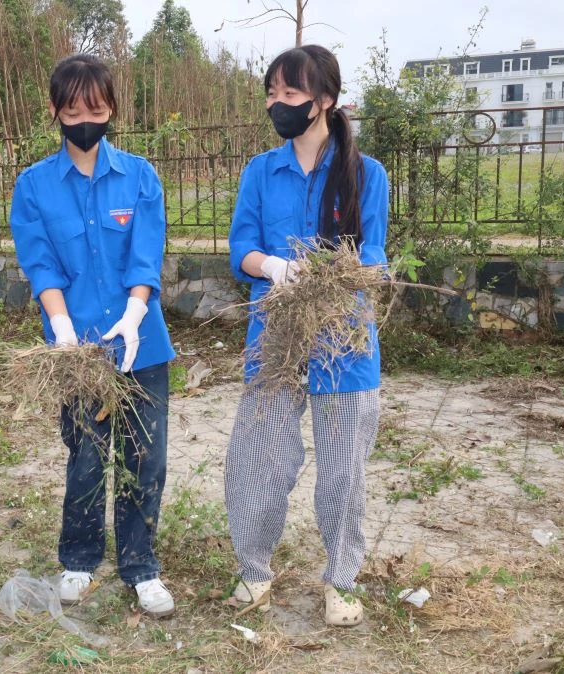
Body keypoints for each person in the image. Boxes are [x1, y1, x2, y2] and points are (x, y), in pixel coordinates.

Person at [224, 45, 389, 627]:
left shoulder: (366, 175)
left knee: (344, 474)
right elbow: (239, 250)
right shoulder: (260, 172)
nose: (278, 104)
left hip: (343, 343)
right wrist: (273, 267)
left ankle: (340, 581)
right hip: (275, 342)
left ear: (323, 101)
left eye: (289, 94)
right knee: (259, 458)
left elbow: (373, 258)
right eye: (272, 93)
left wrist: (332, 277)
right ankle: (254, 569)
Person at [10, 54, 176, 618]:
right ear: (56, 110)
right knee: (85, 454)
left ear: (112, 110)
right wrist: (60, 329)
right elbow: (41, 265)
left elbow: (146, 257)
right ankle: (78, 557)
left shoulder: (139, 176)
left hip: (140, 343)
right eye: (75, 107)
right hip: (77, 351)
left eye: (98, 107)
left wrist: (133, 316)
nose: (87, 117)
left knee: (144, 457)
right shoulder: (32, 186)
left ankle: (141, 566)